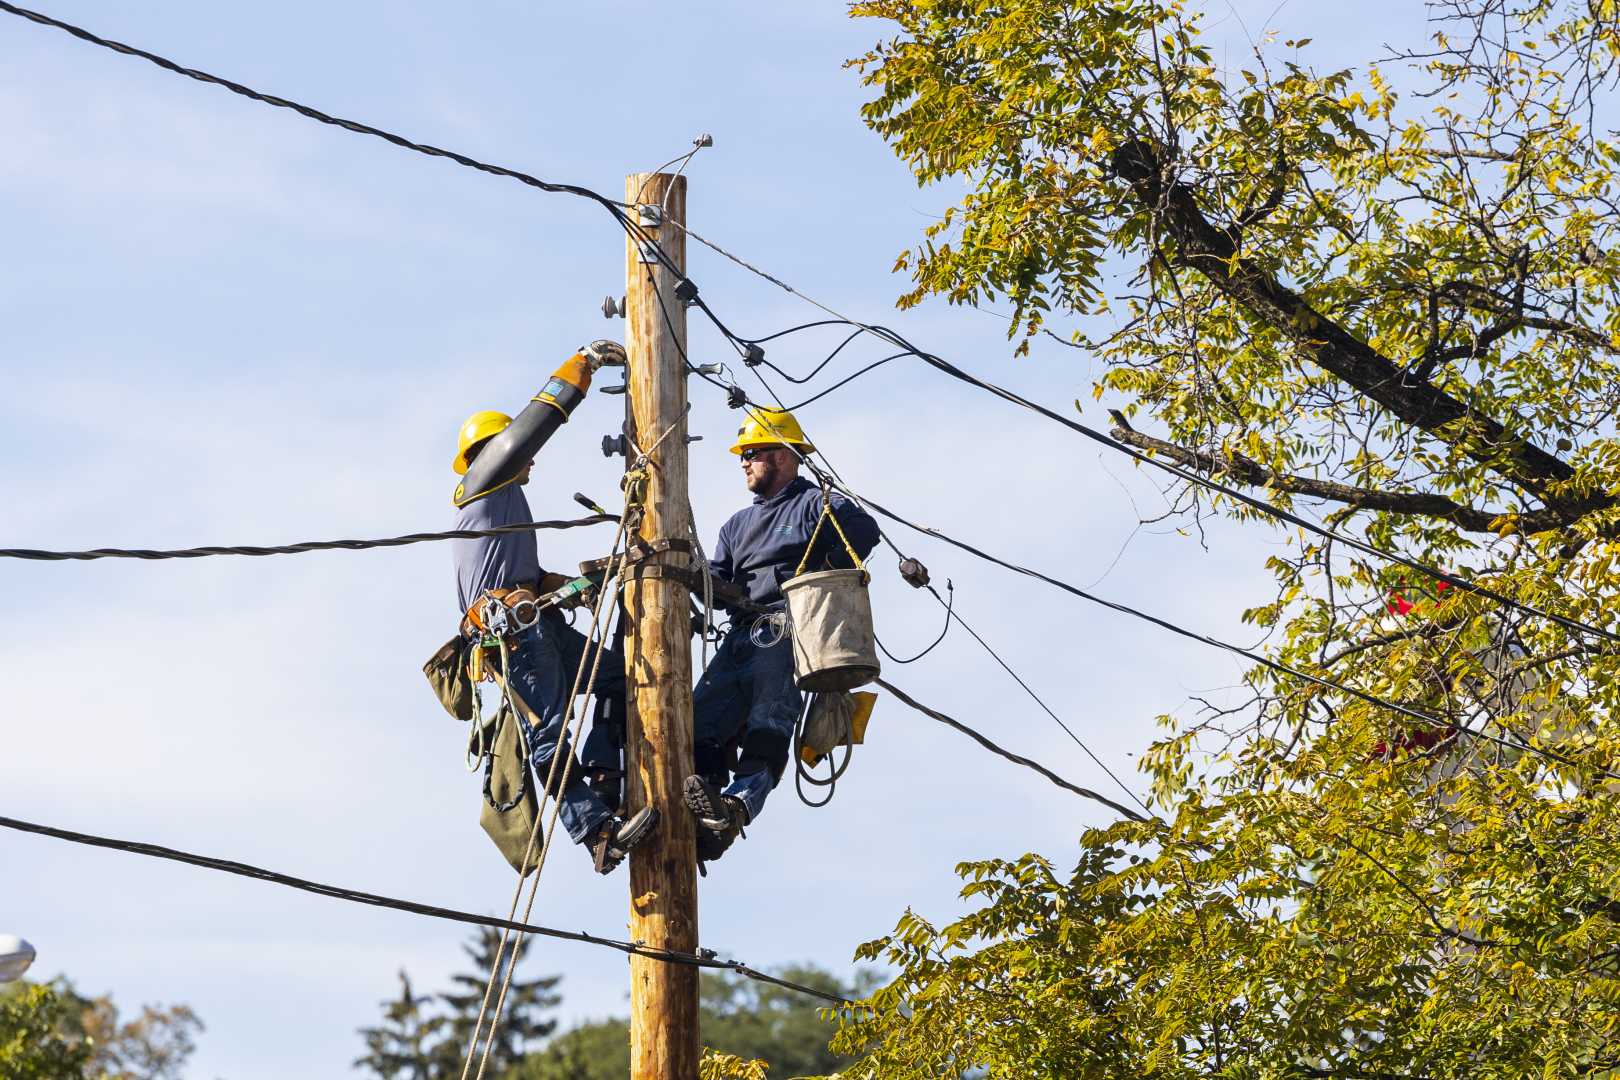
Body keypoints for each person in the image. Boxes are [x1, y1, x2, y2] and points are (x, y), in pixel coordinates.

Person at [451, 341, 657, 875]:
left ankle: (608, 787)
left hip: (537, 624)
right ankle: (595, 833)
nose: (532, 460)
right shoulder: (480, 487)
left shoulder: (507, 507)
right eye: (517, 450)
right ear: (491, 451)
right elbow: (533, 427)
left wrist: (574, 585)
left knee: (622, 681)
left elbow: (528, 577)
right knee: (548, 733)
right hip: (511, 633)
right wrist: (581, 367)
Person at [684, 408, 879, 864]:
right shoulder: (736, 525)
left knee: (769, 721)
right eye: (743, 455)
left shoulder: (812, 503)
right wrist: (687, 577)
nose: (744, 462)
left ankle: (738, 806)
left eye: (754, 452)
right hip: (739, 637)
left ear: (787, 456)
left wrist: (820, 569)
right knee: (697, 724)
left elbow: (864, 532)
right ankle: (707, 810)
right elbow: (717, 583)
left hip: (786, 630)